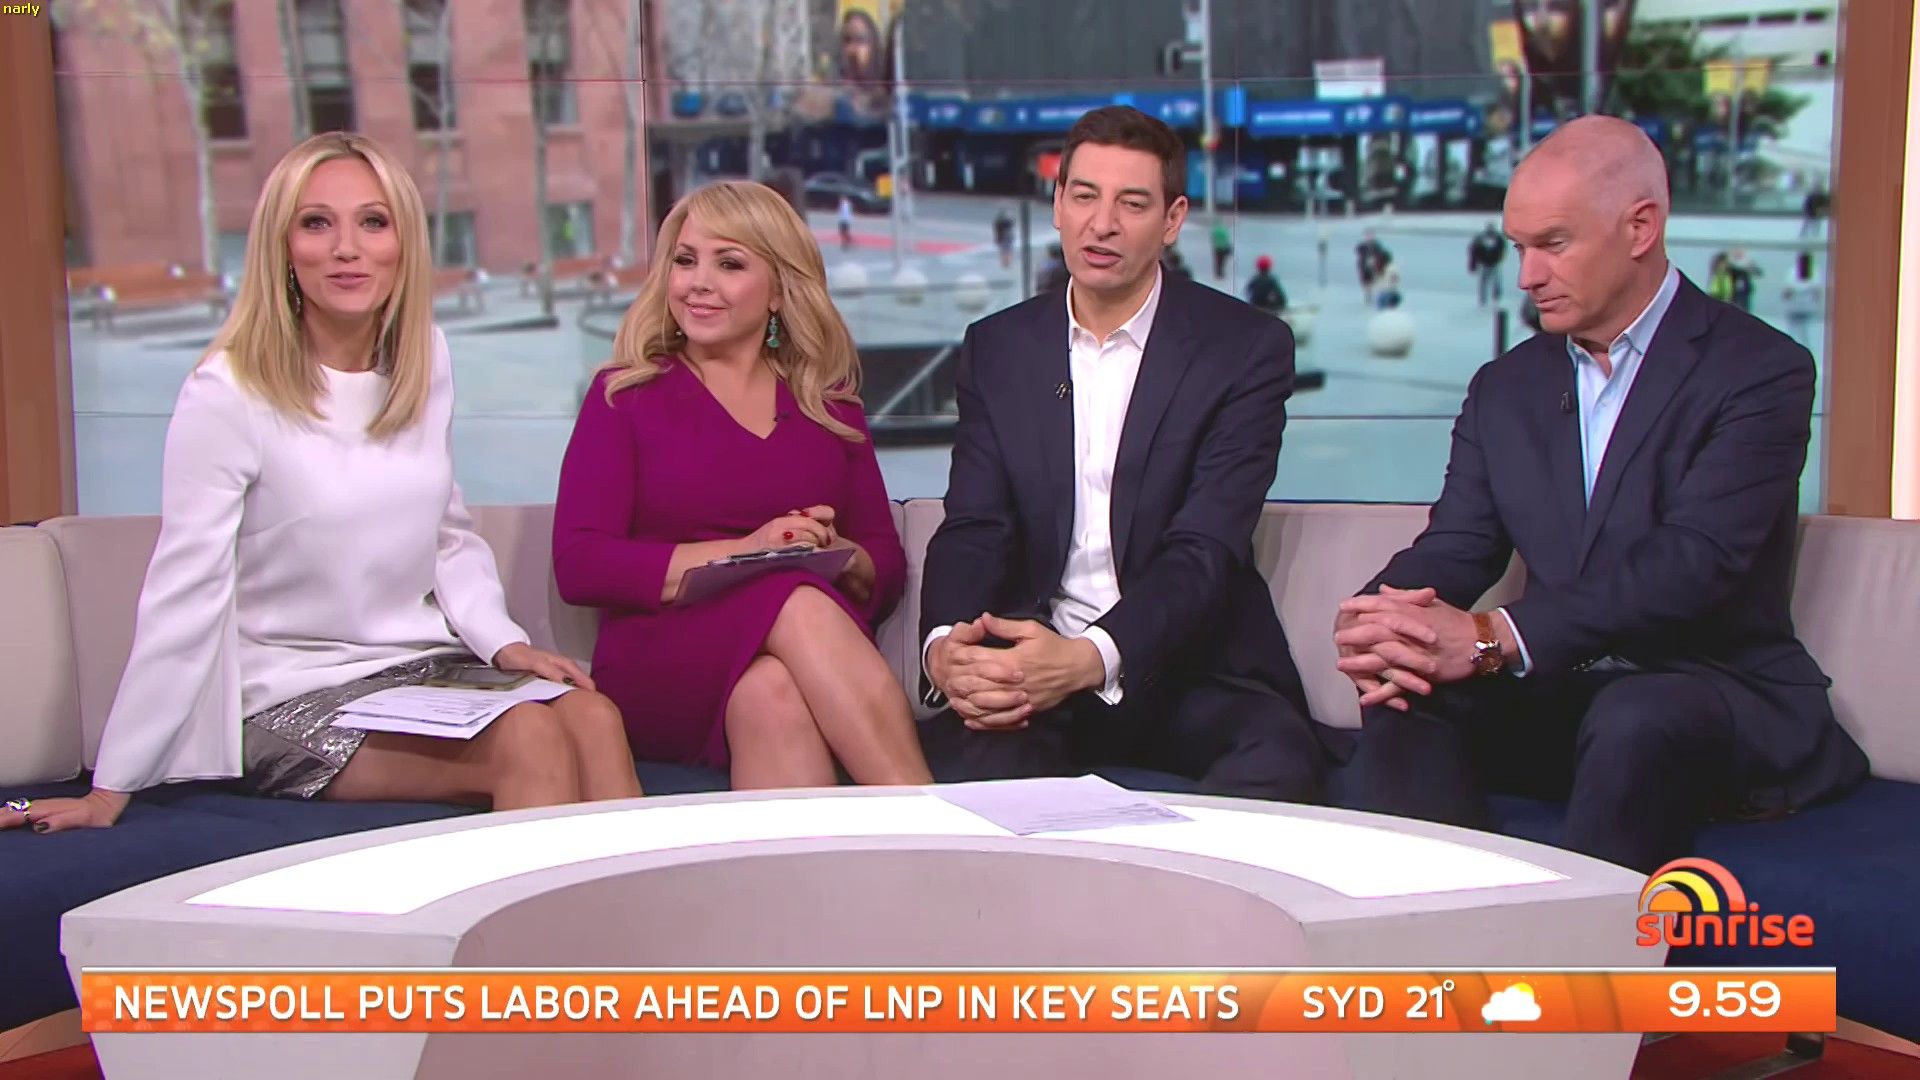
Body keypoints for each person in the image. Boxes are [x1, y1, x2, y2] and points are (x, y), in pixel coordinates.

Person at [1, 133, 639, 835]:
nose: (346, 249)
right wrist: (111, 785)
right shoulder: (228, 391)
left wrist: (502, 642)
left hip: (419, 668)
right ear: (283, 246)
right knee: (529, 737)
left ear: (403, 243)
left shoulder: (422, 359)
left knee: (593, 716)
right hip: (284, 692)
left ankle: (638, 912)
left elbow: (445, 531)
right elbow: (185, 589)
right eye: (316, 223)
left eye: (373, 222)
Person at [1335, 117, 1867, 872]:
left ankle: (1585, 942)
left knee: (1636, 715)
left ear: (1640, 228)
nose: (1527, 277)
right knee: (1404, 691)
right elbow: (1457, 544)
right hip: (1566, 691)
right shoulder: (1506, 387)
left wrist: (1492, 636)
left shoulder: (1759, 370)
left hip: (1711, 689)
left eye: (1553, 245)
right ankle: (1448, 915)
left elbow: (1694, 562)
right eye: (1519, 248)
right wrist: (1381, 618)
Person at [916, 106, 1339, 800]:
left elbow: (1204, 547)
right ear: (1058, 204)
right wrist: (946, 650)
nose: (1102, 224)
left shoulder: (1242, 349)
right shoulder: (999, 348)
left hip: (1191, 667)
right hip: (1035, 664)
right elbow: (974, 527)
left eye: (1132, 204)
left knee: (1278, 764)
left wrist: (1089, 658)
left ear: (1172, 220)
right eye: (1084, 196)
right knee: (974, 783)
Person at [552, 180, 932, 790]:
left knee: (772, 692)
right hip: (663, 653)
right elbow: (581, 564)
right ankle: (928, 818)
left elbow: (883, 566)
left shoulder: (828, 407)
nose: (697, 283)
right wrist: (749, 552)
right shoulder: (624, 396)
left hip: (797, 652)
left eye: (728, 264)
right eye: (685, 261)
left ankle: (830, 857)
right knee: (793, 598)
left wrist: (837, 552)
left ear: (779, 289)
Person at [1780, 251, 1823, 348]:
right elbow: (1817, 292)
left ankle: (1797, 347)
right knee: (1803, 331)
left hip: (1801, 306)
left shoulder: (1794, 272)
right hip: (1800, 306)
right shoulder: (1813, 272)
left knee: (1800, 331)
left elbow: (1787, 291)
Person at [1468, 221, 1506, 307]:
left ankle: (1495, 298)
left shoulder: (1498, 238)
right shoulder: (1481, 238)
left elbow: (1502, 249)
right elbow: (1474, 250)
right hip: (1485, 263)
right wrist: (1473, 263)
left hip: (1493, 263)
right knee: (1484, 282)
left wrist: (1498, 258)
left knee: (1495, 282)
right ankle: (1484, 299)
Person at [1355, 230, 1389, 304]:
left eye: (1370, 236)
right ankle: (1368, 296)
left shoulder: (1377, 246)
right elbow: (1359, 253)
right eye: (1367, 236)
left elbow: (1382, 255)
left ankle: (1374, 296)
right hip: (1364, 267)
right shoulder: (1362, 246)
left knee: (1374, 282)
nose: (1369, 237)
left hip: (1374, 267)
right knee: (1366, 282)